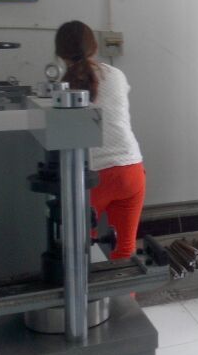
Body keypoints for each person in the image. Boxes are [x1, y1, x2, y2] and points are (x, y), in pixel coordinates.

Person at [55, 20, 145, 259]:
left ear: (60, 54)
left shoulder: (62, 87)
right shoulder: (116, 75)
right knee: (124, 249)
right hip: (130, 169)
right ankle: (125, 285)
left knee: (80, 249)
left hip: (93, 177)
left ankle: (85, 285)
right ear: (94, 47)